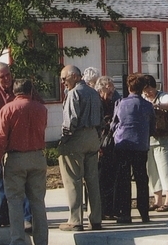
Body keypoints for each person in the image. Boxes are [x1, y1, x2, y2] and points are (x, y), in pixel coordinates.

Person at [0, 79, 49, 245]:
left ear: (15, 92)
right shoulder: (41, 109)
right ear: (31, 91)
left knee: (14, 201)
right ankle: (42, 244)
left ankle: (17, 242)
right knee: (38, 201)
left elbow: (0, 138)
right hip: (38, 155)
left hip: (16, 157)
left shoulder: (7, 109)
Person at [0, 62, 34, 232]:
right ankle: (3, 216)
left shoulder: (21, 89)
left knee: (25, 182)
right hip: (5, 143)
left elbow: (37, 108)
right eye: (2, 76)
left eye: (8, 74)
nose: (6, 78)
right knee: (2, 182)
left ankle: (28, 218)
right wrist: (4, 138)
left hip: (24, 144)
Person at [58, 65, 103, 231]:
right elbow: (101, 116)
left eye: (65, 78)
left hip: (77, 136)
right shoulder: (94, 92)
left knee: (73, 179)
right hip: (93, 136)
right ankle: (96, 218)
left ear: (76, 77)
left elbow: (71, 120)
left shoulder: (74, 93)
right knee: (92, 180)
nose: (63, 82)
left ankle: (75, 220)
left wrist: (65, 139)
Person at [112, 73, 155, 223]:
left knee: (124, 179)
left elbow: (114, 124)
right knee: (141, 178)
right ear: (143, 87)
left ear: (128, 87)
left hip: (123, 143)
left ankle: (125, 212)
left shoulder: (120, 103)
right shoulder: (148, 106)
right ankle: (144, 212)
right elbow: (152, 127)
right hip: (140, 145)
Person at [142, 75, 168, 212]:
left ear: (155, 87)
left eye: (149, 90)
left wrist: (157, 105)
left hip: (165, 140)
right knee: (152, 171)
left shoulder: (163, 96)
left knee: (167, 169)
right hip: (149, 140)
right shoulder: (143, 98)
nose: (147, 93)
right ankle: (157, 200)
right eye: (145, 91)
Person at [94, 75, 121, 219]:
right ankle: (102, 209)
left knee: (110, 177)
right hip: (100, 143)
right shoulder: (97, 103)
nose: (111, 95)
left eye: (112, 92)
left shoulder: (113, 103)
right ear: (100, 90)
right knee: (101, 178)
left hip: (111, 143)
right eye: (108, 92)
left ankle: (110, 209)